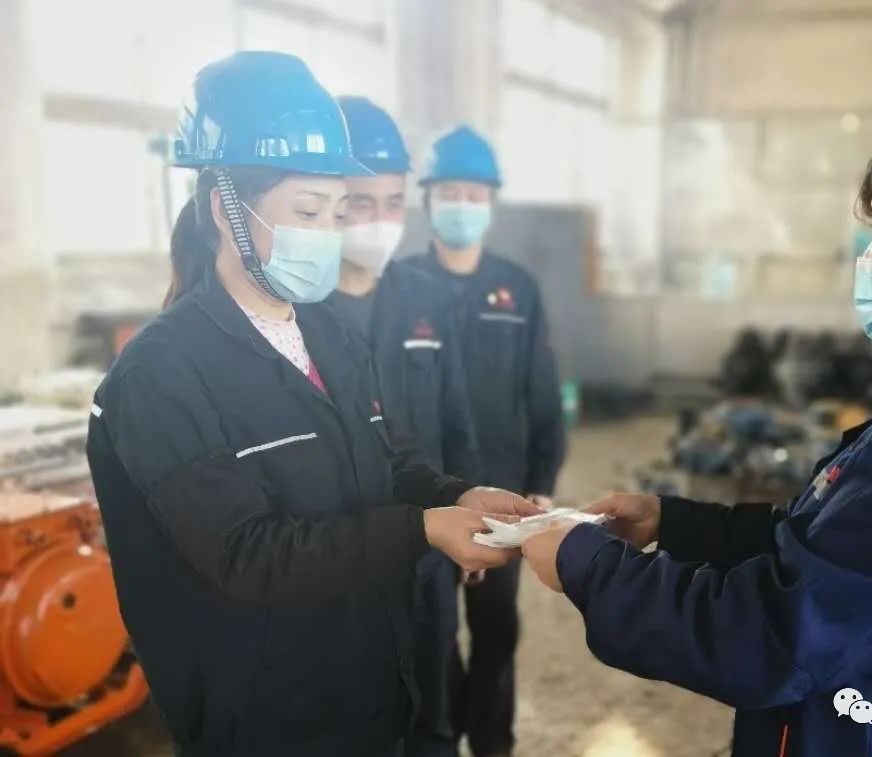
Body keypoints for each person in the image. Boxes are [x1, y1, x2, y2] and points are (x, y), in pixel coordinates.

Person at [521, 102, 872, 757]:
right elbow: (840, 549)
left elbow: (772, 638)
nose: (869, 256)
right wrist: (673, 523)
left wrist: (584, 564)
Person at [85, 52, 537, 757]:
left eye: (337, 211)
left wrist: (457, 494)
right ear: (225, 211)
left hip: (368, 685)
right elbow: (245, 553)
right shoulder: (160, 374)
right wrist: (421, 529)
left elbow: (389, 458)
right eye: (306, 212)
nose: (328, 232)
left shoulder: (329, 332)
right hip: (264, 717)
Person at [320, 96, 482, 757]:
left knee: (434, 703)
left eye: (393, 202)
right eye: (361, 203)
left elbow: (457, 419)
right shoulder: (299, 311)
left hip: (433, 543)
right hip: (347, 552)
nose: (379, 221)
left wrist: (472, 509)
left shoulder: (427, 299)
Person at [406, 125, 567, 757]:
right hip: (424, 494)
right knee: (432, 630)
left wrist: (542, 483)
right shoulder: (401, 288)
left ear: (491, 203)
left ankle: (493, 741)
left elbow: (543, 393)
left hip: (505, 496)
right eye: (450, 192)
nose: (462, 205)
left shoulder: (516, 288)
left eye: (474, 194)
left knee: (496, 627)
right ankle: (442, 735)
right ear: (427, 199)